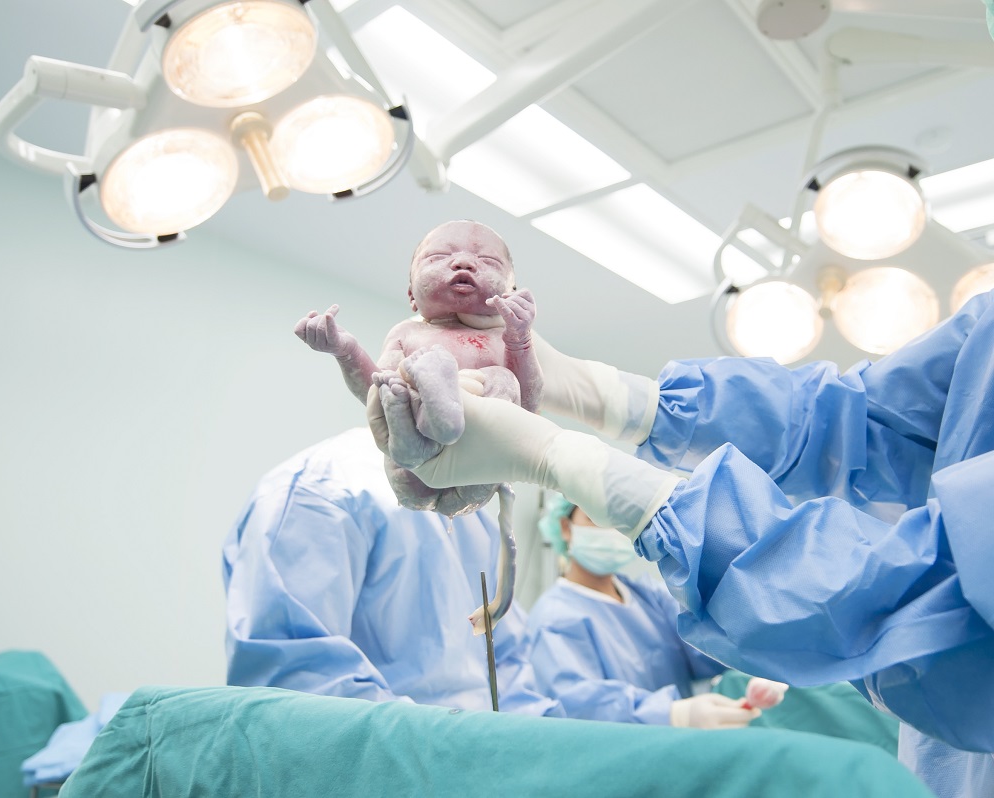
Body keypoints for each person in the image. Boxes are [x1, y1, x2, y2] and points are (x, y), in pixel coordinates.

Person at [369, 291, 994, 798]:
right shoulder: (562, 615)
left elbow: (942, 602)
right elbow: (851, 417)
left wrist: (578, 464)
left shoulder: (638, 599)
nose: (600, 529)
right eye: (587, 517)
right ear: (562, 530)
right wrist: (602, 393)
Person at [221, 427, 560, 716]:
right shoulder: (319, 492)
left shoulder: (469, 507)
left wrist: (530, 743)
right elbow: (299, 691)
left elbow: (509, 661)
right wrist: (447, 747)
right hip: (381, 764)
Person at [294, 219, 540, 518]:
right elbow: (374, 391)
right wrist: (347, 351)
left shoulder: (504, 338)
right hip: (411, 466)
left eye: (487, 261)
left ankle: (440, 412)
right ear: (412, 295)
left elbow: (528, 404)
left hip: (474, 464)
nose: (463, 263)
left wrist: (520, 339)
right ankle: (429, 415)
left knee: (502, 379)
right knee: (392, 385)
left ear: (512, 292)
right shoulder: (407, 333)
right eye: (439, 257)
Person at [528, 493, 784, 729]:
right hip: (623, 756)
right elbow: (578, 707)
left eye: (617, 519)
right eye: (595, 517)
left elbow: (706, 645)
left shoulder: (649, 597)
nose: (610, 529)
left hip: (674, 748)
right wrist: (672, 714)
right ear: (565, 527)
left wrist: (757, 660)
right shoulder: (555, 618)